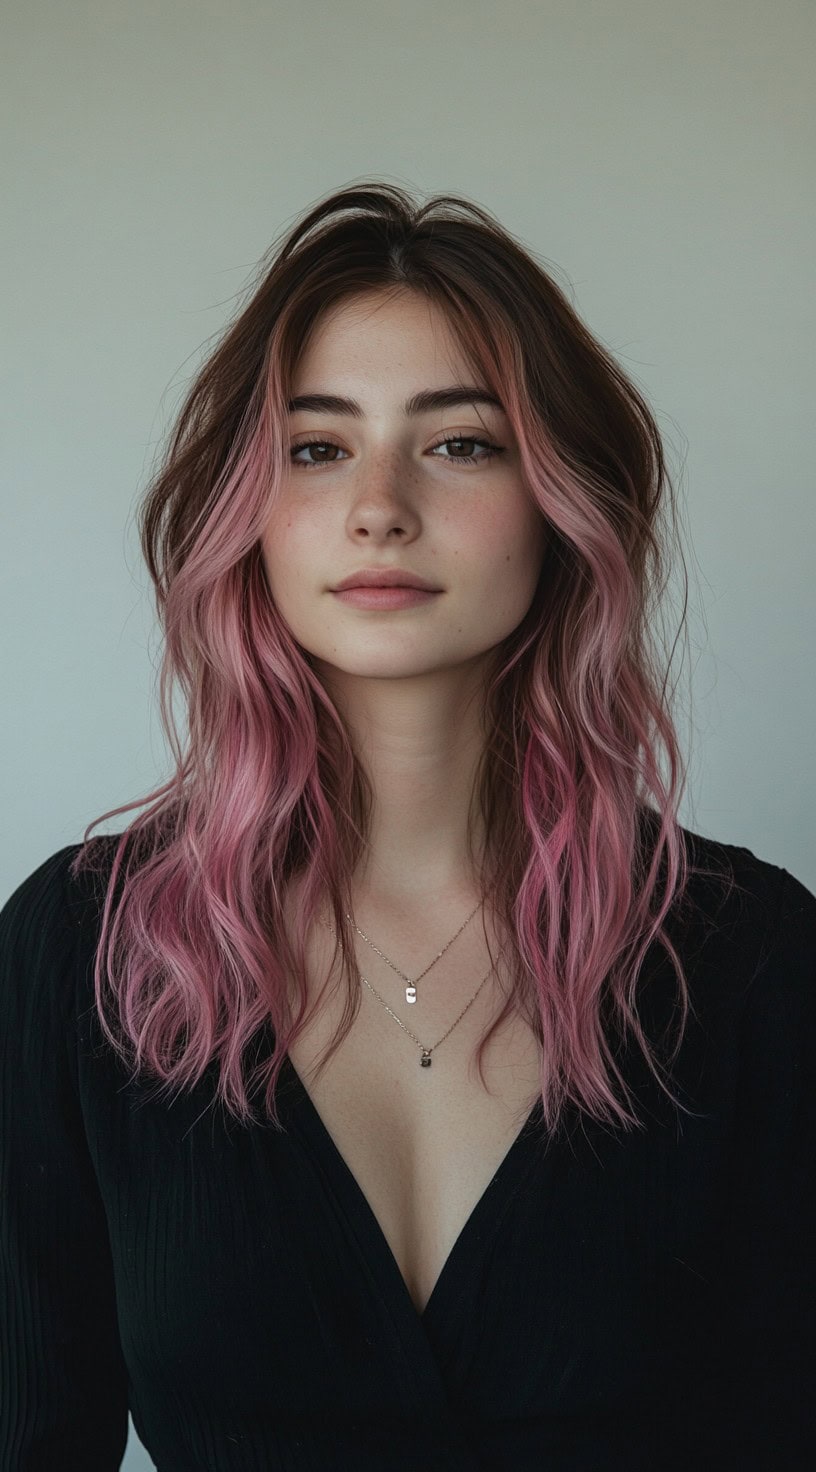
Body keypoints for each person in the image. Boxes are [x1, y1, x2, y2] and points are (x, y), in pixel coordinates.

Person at [1, 181, 814, 1471]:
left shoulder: (752, 958)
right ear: (244, 515)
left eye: (461, 443)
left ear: (565, 503)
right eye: (317, 448)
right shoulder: (84, 953)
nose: (380, 504)